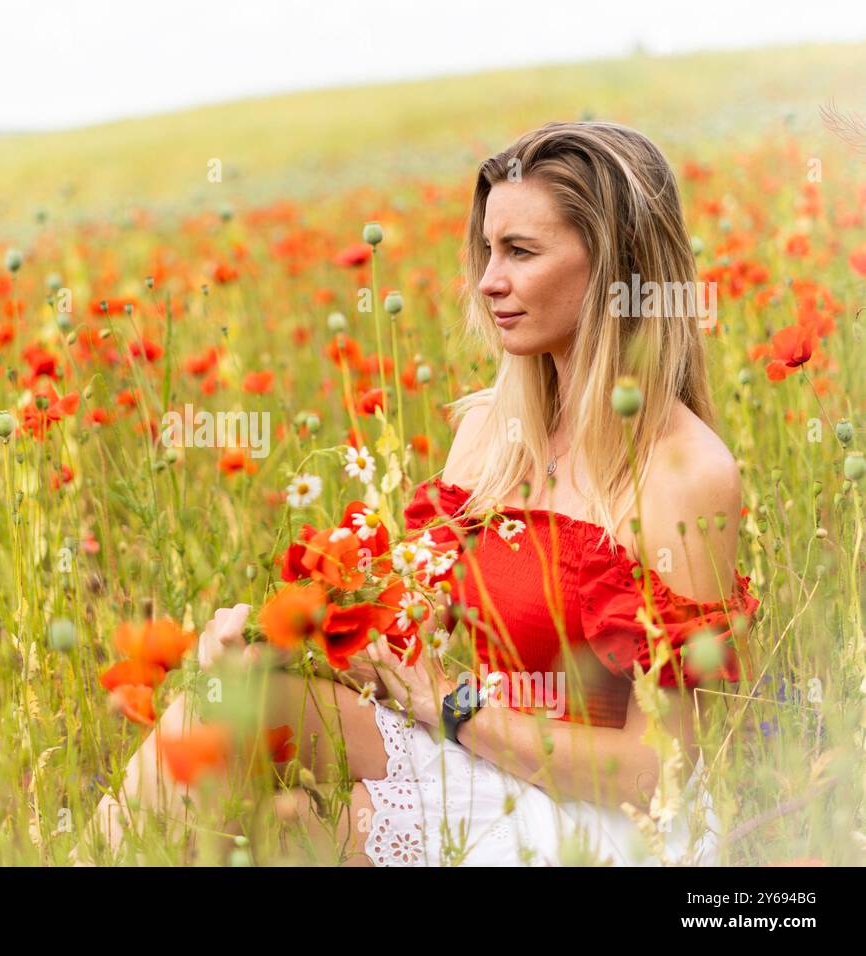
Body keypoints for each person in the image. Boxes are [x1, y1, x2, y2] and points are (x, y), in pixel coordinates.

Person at [86, 121, 761, 866]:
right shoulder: (487, 433)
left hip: (602, 818)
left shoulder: (688, 472)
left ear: (614, 267)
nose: (488, 281)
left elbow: (652, 775)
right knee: (227, 702)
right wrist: (273, 639)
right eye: (488, 250)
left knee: (309, 828)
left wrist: (455, 705)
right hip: (480, 745)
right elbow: (395, 629)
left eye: (521, 253)